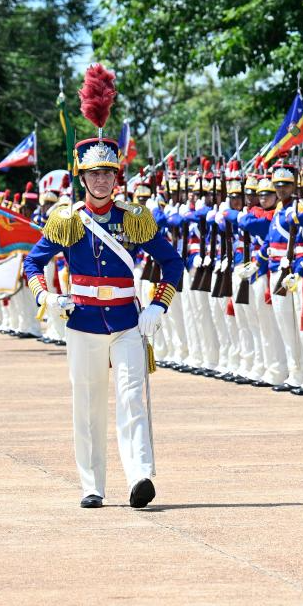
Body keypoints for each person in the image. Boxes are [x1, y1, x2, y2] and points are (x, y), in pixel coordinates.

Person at [23, 64, 183, 509]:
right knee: (88, 406)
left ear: (117, 177)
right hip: (83, 321)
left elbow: (172, 263)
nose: (101, 181)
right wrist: (46, 296)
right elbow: (34, 265)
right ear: (82, 178)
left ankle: (140, 477)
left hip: (129, 322)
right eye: (94, 175)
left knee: (133, 399)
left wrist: (159, 306)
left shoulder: (133, 218)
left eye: (108, 174)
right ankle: (92, 484)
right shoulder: (67, 220)